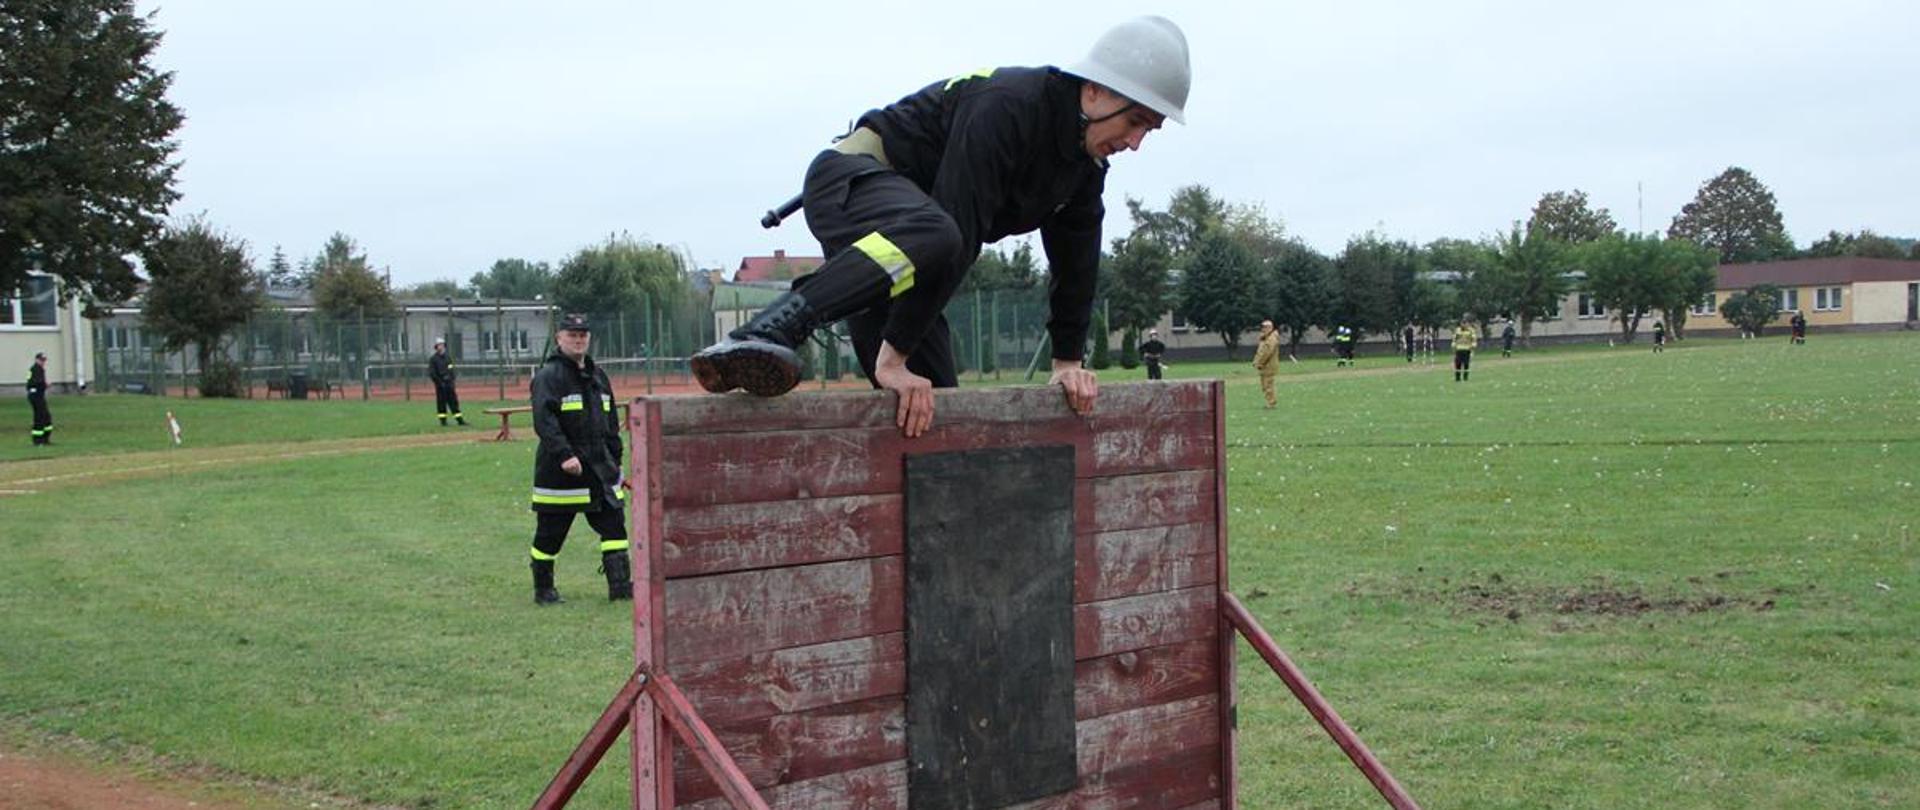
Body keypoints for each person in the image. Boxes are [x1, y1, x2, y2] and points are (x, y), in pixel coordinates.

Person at [688, 17, 1192, 439]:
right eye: (1135, 122)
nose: (1135, 142)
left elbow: (1077, 265)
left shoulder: (1082, 168)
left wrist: (1067, 363)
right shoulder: (1009, 105)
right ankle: (769, 329)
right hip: (852, 183)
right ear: (1097, 89)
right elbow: (959, 228)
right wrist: (893, 358)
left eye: (1149, 129)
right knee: (941, 236)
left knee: (932, 413)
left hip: (910, 245)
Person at [527, 315, 631, 605]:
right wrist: (565, 455)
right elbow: (544, 421)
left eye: (583, 334)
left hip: (601, 469)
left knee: (614, 528)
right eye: (572, 334)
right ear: (559, 338)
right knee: (550, 534)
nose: (578, 339)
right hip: (563, 472)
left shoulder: (599, 376)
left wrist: (616, 460)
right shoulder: (548, 377)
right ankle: (544, 589)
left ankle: (620, 586)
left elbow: (610, 422)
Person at [428, 338, 466, 427]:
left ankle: (460, 420)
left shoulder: (448, 357)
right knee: (441, 403)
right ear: (436, 347)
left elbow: (451, 369)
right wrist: (439, 382)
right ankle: (443, 421)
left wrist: (451, 379)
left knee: (454, 402)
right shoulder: (433, 359)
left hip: (449, 384)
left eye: (442, 345)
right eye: (439, 345)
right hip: (440, 386)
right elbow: (432, 373)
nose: (441, 347)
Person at [1252, 319, 1280, 409]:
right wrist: (1256, 361)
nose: (1263, 329)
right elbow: (1260, 351)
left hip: (1269, 366)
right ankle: (1270, 402)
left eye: (1266, 327)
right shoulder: (1265, 338)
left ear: (1271, 328)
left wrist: (1260, 363)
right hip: (1264, 366)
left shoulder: (1272, 339)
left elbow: (1267, 353)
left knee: (1268, 385)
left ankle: (1271, 403)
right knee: (1265, 385)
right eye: (1263, 327)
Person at [25, 352, 52, 446]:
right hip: (35, 396)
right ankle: (38, 440)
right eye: (41, 360)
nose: (43, 362)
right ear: (37, 360)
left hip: (40, 395)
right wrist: (44, 384)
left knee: (46, 417)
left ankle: (45, 439)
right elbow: (32, 383)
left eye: (44, 360)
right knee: (39, 417)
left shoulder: (40, 369)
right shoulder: (34, 369)